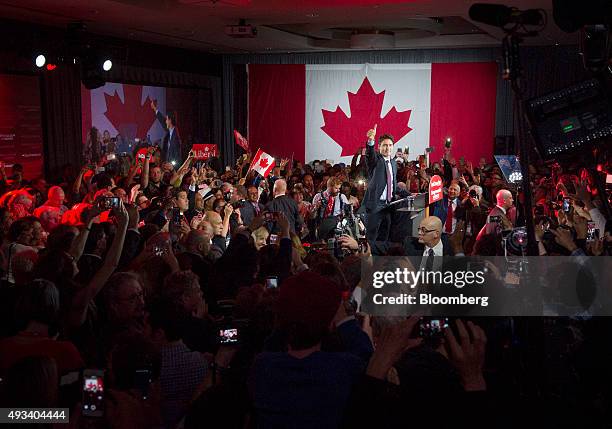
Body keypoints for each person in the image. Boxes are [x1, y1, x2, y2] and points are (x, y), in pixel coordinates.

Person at [362, 125, 399, 242]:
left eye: (390, 145)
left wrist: (410, 194)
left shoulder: (393, 163)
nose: (388, 148)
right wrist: (371, 140)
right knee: (371, 239)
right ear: (379, 147)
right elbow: (369, 153)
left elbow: (393, 186)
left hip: (388, 206)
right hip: (375, 206)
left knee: (384, 238)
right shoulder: (375, 160)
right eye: (384, 145)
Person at [151, 100, 182, 165]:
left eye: (167, 119)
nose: (165, 121)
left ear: (170, 120)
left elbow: (177, 154)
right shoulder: (170, 131)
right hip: (167, 165)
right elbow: (162, 120)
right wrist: (155, 109)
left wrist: (173, 167)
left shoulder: (176, 134)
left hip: (172, 167)